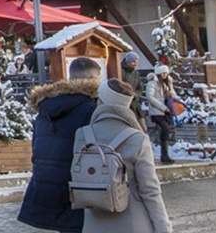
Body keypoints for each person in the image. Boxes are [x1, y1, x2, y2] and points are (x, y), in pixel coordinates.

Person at [75, 78, 173, 233]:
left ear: (101, 101)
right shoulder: (138, 139)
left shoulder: (82, 135)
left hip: (93, 222)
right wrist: (163, 228)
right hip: (133, 222)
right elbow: (150, 191)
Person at [17, 56, 102, 232]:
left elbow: (36, 150)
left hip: (47, 184)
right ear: (93, 79)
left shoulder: (45, 108)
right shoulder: (90, 109)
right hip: (78, 186)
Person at [146, 64, 176, 164]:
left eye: (166, 73)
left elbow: (173, 95)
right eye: (163, 73)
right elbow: (150, 97)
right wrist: (163, 107)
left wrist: (170, 90)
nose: (165, 75)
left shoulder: (165, 84)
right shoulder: (152, 83)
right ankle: (164, 154)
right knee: (165, 128)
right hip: (157, 111)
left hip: (165, 111)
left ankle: (165, 153)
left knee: (166, 130)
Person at [121, 52, 147, 130]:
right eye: (133, 61)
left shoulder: (135, 73)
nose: (135, 64)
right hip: (126, 103)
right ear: (128, 61)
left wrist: (136, 94)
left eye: (136, 62)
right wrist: (129, 93)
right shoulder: (121, 71)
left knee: (143, 128)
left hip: (136, 103)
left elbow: (140, 87)